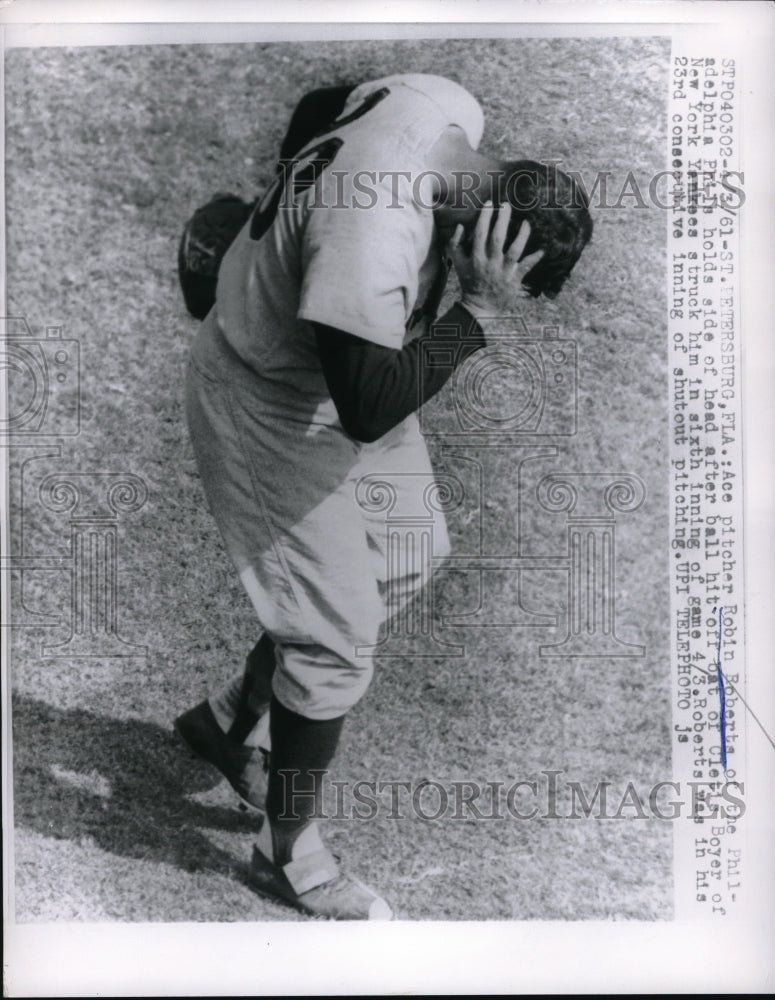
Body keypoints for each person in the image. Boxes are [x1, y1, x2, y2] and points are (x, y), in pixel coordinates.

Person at [175, 73, 593, 920]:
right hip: (272, 404)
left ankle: (232, 720)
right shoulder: (374, 236)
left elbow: (327, 102)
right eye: (499, 262)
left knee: (404, 556)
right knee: (334, 641)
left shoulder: (444, 107)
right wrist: (474, 310)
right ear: (488, 227)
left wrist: (286, 209)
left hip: (343, 369)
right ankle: (285, 854)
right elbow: (370, 408)